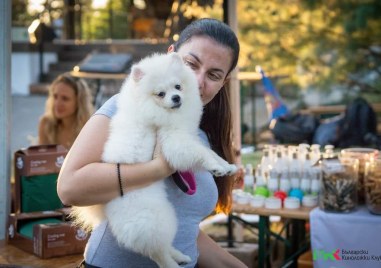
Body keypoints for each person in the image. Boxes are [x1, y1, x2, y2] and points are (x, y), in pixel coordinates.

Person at [57, 18, 247, 268]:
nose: (198, 81)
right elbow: (69, 188)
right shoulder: (126, 107)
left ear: (224, 82)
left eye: (213, 75)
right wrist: (158, 169)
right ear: (171, 57)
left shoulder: (201, 133)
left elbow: (185, 230)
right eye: (191, 64)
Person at [38, 73, 94, 149]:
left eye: (65, 98)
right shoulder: (46, 123)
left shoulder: (90, 128)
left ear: (79, 102)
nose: (57, 103)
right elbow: (40, 158)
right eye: (55, 96)